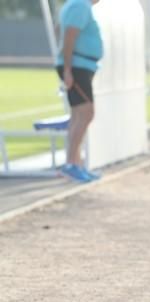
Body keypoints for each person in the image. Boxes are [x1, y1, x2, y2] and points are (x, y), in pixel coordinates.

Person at [55, 0, 103, 182]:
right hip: (77, 67)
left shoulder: (76, 5)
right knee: (86, 113)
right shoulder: (80, 5)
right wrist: (67, 68)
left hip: (80, 65)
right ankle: (71, 164)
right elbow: (69, 34)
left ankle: (75, 163)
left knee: (79, 115)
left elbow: (61, 29)